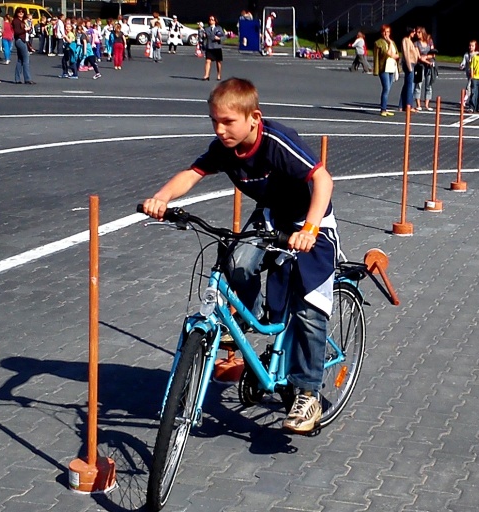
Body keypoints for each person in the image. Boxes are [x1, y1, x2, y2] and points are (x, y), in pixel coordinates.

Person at [141, 78, 339, 435]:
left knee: (309, 307)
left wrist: (309, 230)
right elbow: (192, 173)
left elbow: (323, 180)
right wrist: (162, 198)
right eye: (214, 121)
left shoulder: (276, 141)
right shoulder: (223, 147)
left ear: (253, 118)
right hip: (270, 216)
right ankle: (248, 317)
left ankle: (308, 393)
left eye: (228, 122)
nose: (220, 130)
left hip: (311, 220)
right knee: (237, 262)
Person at [373, 24, 399, 117]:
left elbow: (396, 54)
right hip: (384, 68)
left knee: (388, 89)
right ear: (381, 32)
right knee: (386, 88)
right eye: (384, 31)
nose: (386, 33)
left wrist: (390, 43)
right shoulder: (378, 43)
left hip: (391, 67)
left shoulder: (392, 42)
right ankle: (383, 109)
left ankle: (385, 108)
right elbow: (385, 53)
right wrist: (391, 53)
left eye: (388, 31)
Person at [413, 27, 436, 111]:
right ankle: (418, 104)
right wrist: (426, 60)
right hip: (420, 66)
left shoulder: (429, 41)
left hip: (429, 66)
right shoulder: (416, 43)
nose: (417, 34)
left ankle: (427, 104)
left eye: (419, 32)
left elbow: (433, 54)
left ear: (422, 33)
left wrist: (426, 57)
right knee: (418, 84)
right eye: (417, 32)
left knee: (428, 85)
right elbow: (419, 57)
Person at [397, 27, 419, 112]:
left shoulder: (410, 41)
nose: (414, 33)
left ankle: (401, 105)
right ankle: (409, 105)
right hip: (409, 64)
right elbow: (406, 53)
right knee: (410, 85)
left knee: (407, 84)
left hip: (412, 63)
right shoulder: (406, 40)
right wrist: (409, 66)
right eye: (413, 31)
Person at [11, 7, 33, 84]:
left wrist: (29, 26)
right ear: (16, 13)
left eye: (22, 12)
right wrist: (25, 29)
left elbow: (29, 30)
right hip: (19, 40)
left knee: (20, 60)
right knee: (26, 59)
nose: (21, 13)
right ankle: (27, 78)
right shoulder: (16, 21)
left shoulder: (23, 21)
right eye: (19, 12)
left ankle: (17, 79)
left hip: (23, 40)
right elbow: (16, 31)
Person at [202, 16, 224, 80]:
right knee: (208, 61)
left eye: (212, 19)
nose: (211, 21)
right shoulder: (207, 29)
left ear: (215, 21)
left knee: (218, 62)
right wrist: (203, 37)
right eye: (210, 20)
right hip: (209, 47)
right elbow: (205, 38)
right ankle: (206, 75)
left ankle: (219, 74)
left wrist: (219, 39)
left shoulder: (219, 28)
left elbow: (224, 36)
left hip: (217, 47)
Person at [460, 40, 477, 110]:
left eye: (472, 46)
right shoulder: (466, 55)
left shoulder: (477, 54)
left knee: (468, 86)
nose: (471, 47)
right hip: (469, 73)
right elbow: (463, 62)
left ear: (475, 46)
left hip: (475, 74)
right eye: (470, 45)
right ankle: (472, 101)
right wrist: (462, 65)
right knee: (472, 87)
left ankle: (464, 100)